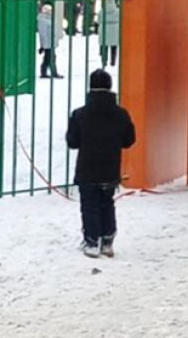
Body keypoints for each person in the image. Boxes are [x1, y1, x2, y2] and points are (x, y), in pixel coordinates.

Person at [66, 69, 136, 258]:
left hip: (87, 169)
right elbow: (129, 140)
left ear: (90, 87)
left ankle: (92, 240)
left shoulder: (79, 114)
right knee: (107, 202)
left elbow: (72, 142)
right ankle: (107, 240)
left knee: (89, 204)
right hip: (110, 168)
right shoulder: (121, 114)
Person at [37, 3, 59, 79]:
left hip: (50, 42)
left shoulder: (48, 19)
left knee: (48, 58)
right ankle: (53, 72)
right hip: (48, 43)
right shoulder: (43, 20)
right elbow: (43, 33)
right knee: (51, 58)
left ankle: (44, 72)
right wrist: (43, 45)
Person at [99, 0, 120, 67]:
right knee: (114, 47)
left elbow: (99, 20)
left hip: (104, 29)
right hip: (114, 29)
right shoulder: (117, 11)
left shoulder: (102, 11)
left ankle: (104, 61)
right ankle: (113, 61)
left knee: (104, 46)